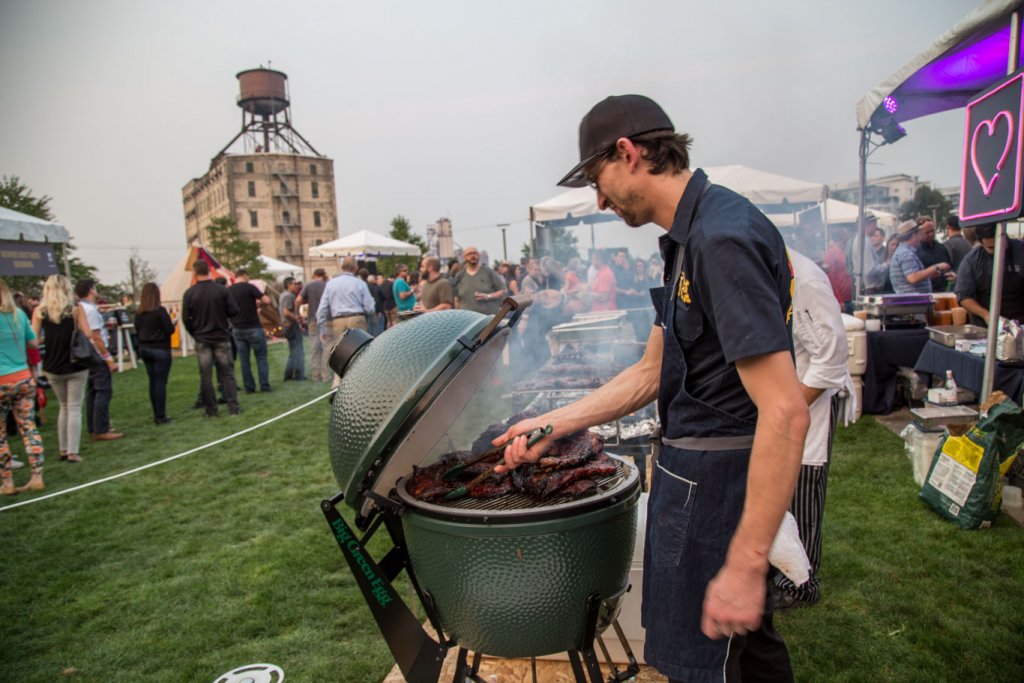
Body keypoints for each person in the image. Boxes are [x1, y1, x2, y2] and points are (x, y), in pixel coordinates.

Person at [495, 94, 808, 682]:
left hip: (721, 489)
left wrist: (742, 564)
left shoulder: (721, 238)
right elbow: (649, 371)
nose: (599, 200)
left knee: (713, 667)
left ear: (629, 153)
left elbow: (786, 412)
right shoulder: (689, 240)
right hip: (695, 480)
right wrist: (551, 425)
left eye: (598, 180)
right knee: (746, 656)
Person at [771, 250, 851, 610]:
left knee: (802, 485)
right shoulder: (772, 272)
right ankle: (780, 567)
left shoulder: (807, 283)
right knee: (776, 489)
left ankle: (801, 584)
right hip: (780, 402)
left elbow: (831, 358)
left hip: (809, 401)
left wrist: (791, 409)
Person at [32, 275, 89, 464]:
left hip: (52, 364)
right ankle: (72, 451)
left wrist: (45, 339)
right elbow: (87, 333)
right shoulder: (75, 310)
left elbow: (32, 339)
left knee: (64, 406)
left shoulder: (40, 312)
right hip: (75, 362)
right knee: (73, 407)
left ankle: (64, 448)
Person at [0, 279, 46, 495]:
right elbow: (33, 342)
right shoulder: (18, 315)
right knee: (29, 427)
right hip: (23, 378)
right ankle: (37, 477)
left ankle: (7, 483)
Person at [182, 260, 240, 417]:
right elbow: (234, 310)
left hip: (202, 338)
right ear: (209, 271)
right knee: (227, 373)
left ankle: (211, 410)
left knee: (206, 376)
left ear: (194, 273)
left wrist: (194, 332)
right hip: (221, 335)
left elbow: (186, 319)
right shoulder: (221, 290)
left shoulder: (190, 293)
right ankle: (233, 407)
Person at [317, 257, 376, 386]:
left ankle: (337, 384)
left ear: (342, 267)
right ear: (356, 268)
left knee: (340, 353)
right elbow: (369, 308)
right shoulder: (359, 283)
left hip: (337, 320)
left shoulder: (331, 283)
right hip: (356, 318)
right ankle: (361, 382)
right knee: (361, 352)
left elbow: (321, 309)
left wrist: (321, 329)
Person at [75, 278, 122, 440]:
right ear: (91, 290)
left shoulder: (82, 308)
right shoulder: (90, 310)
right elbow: (96, 336)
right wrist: (108, 358)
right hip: (97, 354)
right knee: (103, 391)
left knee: (93, 391)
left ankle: (95, 426)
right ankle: (101, 429)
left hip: (89, 354)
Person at [954, 223, 1024, 326]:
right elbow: (964, 296)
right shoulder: (971, 261)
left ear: (1005, 236)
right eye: (991, 247)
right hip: (986, 328)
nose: (997, 251)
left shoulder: (1021, 250)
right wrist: (986, 315)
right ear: (981, 244)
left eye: (1000, 245)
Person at [134, 283, 175, 425]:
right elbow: (169, 329)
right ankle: (160, 415)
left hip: (145, 349)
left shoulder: (139, 314)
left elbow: (137, 331)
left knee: (153, 382)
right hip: (160, 349)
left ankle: (156, 413)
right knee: (160, 383)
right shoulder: (160, 311)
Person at [228, 268, 272, 394]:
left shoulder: (229, 290)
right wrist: (259, 304)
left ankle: (249, 387)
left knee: (244, 360)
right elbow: (266, 300)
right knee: (261, 357)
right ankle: (264, 386)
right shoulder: (249, 287)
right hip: (253, 327)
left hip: (237, 329)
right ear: (244, 275)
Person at [889, 220, 952, 294]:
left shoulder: (905, 251)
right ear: (913, 235)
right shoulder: (905, 253)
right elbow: (913, 278)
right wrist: (936, 267)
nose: (920, 237)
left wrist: (928, 276)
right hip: (912, 301)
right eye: (919, 234)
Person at [453, 245, 507, 314]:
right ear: (464, 257)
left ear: (479, 255)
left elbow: (502, 291)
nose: (473, 256)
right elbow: (457, 299)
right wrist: (459, 314)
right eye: (469, 254)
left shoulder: (488, 272)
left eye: (475, 253)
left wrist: (488, 296)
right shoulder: (460, 276)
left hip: (489, 318)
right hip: (468, 319)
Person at [297, 268, 329, 381]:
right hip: (327, 320)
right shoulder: (328, 285)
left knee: (315, 348)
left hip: (313, 319)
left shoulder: (308, 286)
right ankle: (326, 375)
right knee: (326, 347)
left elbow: (298, 299)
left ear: (314, 275)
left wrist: (298, 313)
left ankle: (315, 375)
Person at [846, 213, 887, 294]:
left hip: (863, 288)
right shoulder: (864, 241)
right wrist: (885, 265)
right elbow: (870, 271)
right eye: (875, 223)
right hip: (869, 289)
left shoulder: (858, 240)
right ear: (869, 224)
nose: (876, 227)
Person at [915, 217, 953, 292]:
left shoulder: (941, 248)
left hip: (944, 290)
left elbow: (949, 266)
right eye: (927, 232)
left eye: (933, 231)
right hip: (926, 292)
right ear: (919, 233)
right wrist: (928, 276)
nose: (931, 234)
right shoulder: (915, 251)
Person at [279, 276, 306, 381]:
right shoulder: (288, 296)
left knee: (293, 351)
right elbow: (286, 312)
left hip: (287, 326)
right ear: (288, 285)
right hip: (291, 326)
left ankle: (288, 375)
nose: (297, 286)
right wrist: (297, 319)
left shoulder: (283, 295)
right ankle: (299, 375)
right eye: (295, 284)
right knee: (298, 351)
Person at [821, 234, 853, 309]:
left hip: (850, 298)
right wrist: (839, 300)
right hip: (842, 301)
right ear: (843, 238)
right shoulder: (831, 254)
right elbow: (831, 280)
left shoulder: (846, 251)